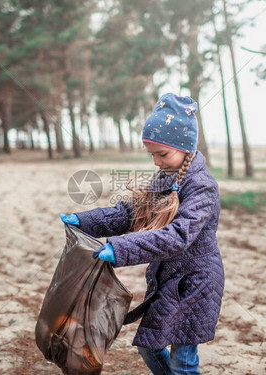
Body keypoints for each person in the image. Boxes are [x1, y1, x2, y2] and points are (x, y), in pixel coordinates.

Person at [60, 93, 224, 375]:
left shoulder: (201, 186)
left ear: (184, 147)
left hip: (195, 283)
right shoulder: (165, 178)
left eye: (162, 154)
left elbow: (177, 236)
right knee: (149, 346)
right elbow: (132, 214)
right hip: (168, 279)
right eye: (152, 155)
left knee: (183, 362)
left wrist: (120, 250)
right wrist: (85, 221)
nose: (157, 162)